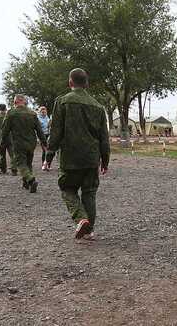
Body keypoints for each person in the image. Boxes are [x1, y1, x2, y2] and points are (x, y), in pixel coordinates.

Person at [48, 68, 110, 240]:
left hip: (70, 157)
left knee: (67, 188)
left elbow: (56, 132)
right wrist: (105, 161)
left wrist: (49, 155)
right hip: (91, 158)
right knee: (89, 192)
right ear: (87, 84)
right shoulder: (98, 107)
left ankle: (81, 218)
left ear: (70, 83)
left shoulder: (62, 102)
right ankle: (89, 231)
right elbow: (104, 137)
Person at [0, 95, 47, 193]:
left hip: (18, 143)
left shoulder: (11, 113)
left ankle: (31, 179)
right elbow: (39, 130)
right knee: (28, 163)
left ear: (15, 102)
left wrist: (2, 141)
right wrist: (44, 142)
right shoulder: (32, 113)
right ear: (24, 102)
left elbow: (5, 130)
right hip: (31, 143)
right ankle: (26, 184)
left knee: (21, 163)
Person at [0, 103, 17, 175]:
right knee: (12, 154)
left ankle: (3, 169)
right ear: (5, 108)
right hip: (10, 138)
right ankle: (14, 169)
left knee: (2, 155)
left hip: (1, 138)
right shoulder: (10, 116)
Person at [38, 106, 52, 171]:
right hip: (42, 135)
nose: (44, 113)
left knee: (49, 150)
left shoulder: (47, 118)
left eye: (45, 112)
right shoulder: (38, 118)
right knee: (45, 150)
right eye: (42, 112)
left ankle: (48, 164)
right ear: (40, 112)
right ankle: (44, 164)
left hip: (48, 135)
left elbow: (49, 126)